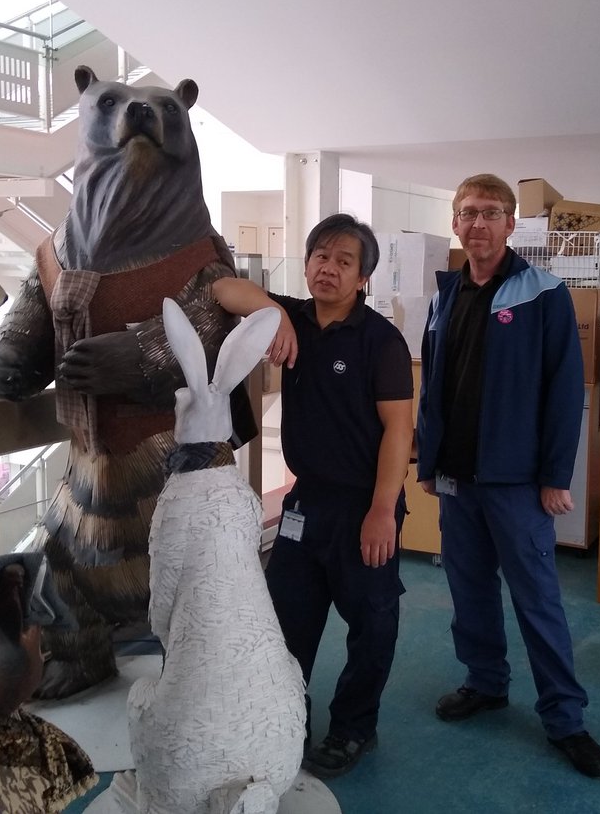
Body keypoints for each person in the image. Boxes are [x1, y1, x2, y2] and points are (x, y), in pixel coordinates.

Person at [415, 174, 600, 779]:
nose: (479, 223)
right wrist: (430, 461)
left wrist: (556, 475)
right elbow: (436, 388)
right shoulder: (445, 294)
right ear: (455, 222)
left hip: (518, 482)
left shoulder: (543, 294)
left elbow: (562, 392)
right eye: (469, 212)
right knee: (470, 590)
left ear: (510, 224)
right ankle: (485, 682)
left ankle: (566, 719)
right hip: (458, 478)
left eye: (492, 213)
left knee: (538, 600)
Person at [212, 213, 414, 779]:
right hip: (306, 503)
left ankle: (354, 727)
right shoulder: (293, 316)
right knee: (285, 621)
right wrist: (272, 311)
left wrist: (382, 511)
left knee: (372, 624)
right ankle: (286, 716)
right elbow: (222, 288)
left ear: (362, 278)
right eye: (320, 256)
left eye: (344, 261)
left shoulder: (381, 342)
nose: (328, 268)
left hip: (364, 504)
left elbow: (399, 431)